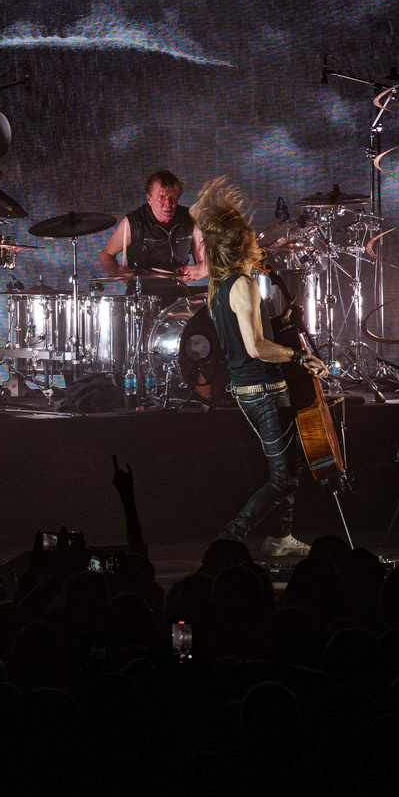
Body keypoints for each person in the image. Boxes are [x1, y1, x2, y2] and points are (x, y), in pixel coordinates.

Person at [195, 177, 325, 560]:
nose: (258, 243)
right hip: (263, 391)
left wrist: (282, 321)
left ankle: (282, 537)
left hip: (254, 390)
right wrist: (300, 356)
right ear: (239, 245)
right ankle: (230, 537)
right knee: (284, 477)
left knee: (290, 467)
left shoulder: (220, 286)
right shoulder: (243, 284)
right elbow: (255, 348)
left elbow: (248, 335)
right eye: (251, 238)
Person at [98, 169, 208, 300]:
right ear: (149, 198)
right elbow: (105, 255)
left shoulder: (190, 220)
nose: (168, 204)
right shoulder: (133, 222)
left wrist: (197, 270)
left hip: (178, 295)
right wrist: (117, 271)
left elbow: (203, 265)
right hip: (141, 297)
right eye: (161, 197)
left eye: (173, 197)